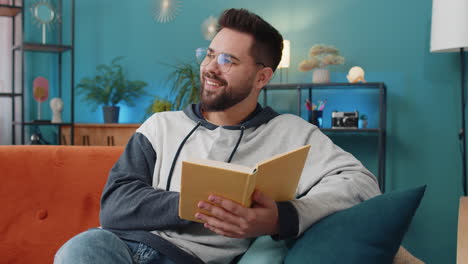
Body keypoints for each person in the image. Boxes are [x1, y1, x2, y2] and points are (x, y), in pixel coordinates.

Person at [54, 8, 380, 264]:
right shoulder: (159, 126)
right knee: (81, 247)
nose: (210, 68)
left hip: (189, 259)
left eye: (228, 60)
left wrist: (280, 218)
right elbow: (114, 206)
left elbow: (362, 184)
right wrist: (202, 204)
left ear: (261, 77)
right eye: (209, 54)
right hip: (116, 250)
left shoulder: (292, 134)